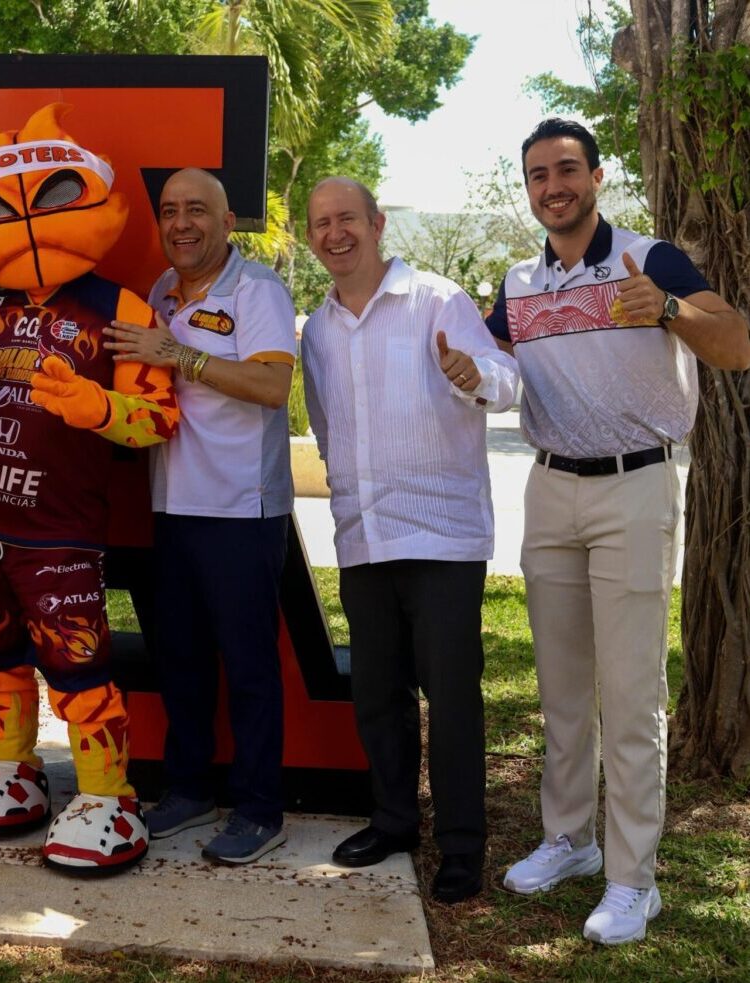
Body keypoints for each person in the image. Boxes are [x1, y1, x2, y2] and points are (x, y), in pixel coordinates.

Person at [0, 98, 179, 871]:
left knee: (79, 667)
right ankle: (12, 768)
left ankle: (109, 795)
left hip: (62, 530)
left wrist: (99, 408)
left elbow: (158, 418)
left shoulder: (119, 306)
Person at [489, 118, 750, 942]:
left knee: (632, 695)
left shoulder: (650, 258)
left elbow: (737, 344)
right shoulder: (518, 283)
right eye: (538, 174)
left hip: (634, 486)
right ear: (528, 188)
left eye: (568, 169)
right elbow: (487, 361)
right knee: (563, 687)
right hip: (549, 489)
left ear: (596, 177)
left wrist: (669, 308)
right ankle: (569, 839)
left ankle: (634, 878)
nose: (553, 186)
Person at [299, 177, 518, 901]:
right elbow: (328, 426)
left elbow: (506, 379)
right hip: (365, 535)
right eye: (321, 223)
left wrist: (473, 374)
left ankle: (461, 845)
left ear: (377, 223)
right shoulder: (319, 330)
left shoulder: (436, 299)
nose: (335, 233)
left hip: (442, 537)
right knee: (377, 695)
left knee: (451, 700)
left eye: (347, 218)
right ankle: (394, 821)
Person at [103, 167, 297, 865]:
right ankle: (188, 789)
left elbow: (272, 385)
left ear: (227, 220)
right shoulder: (161, 290)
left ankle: (260, 808)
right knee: (180, 660)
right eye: (169, 211)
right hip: (172, 505)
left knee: (247, 667)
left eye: (197, 210)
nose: (181, 223)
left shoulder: (257, 290)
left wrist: (179, 354)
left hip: (241, 508)